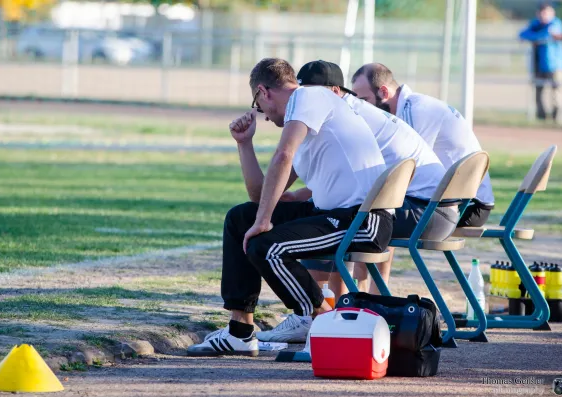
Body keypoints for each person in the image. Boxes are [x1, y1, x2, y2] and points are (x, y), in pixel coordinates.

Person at [186, 58, 394, 356]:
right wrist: (244, 144)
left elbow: (283, 155)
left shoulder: (308, 96)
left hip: (363, 220)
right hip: (338, 214)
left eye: (259, 107)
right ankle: (239, 332)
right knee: (240, 218)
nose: (266, 118)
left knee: (266, 247)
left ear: (263, 91)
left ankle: (325, 322)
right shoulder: (311, 122)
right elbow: (262, 195)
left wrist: (265, 221)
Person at [256, 60, 455, 344]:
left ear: (333, 93)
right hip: (431, 208)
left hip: (425, 211)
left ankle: (328, 310)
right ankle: (333, 303)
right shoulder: (346, 117)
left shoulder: (346, 115)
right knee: (323, 212)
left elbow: (356, 192)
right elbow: (291, 189)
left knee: (329, 217)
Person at [350, 62, 495, 229]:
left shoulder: (414, 112)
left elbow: (405, 173)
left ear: (383, 91)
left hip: (467, 206)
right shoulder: (416, 106)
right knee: (380, 206)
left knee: (364, 213)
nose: (363, 108)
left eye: (364, 100)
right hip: (466, 202)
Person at [519, 1, 562, 123]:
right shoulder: (535, 24)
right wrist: (535, 36)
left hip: (555, 65)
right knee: (538, 91)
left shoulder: (556, 23)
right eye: (542, 12)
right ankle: (541, 116)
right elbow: (523, 34)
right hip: (539, 64)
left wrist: (535, 37)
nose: (543, 15)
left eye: (546, 12)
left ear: (552, 13)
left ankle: (557, 118)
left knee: (557, 92)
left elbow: (547, 34)